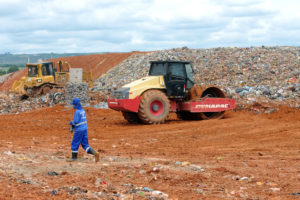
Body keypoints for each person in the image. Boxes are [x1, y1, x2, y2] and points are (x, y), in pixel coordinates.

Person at [68, 98, 99, 162]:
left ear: (75, 104)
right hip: (84, 129)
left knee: (74, 143)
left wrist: (71, 123)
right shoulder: (82, 110)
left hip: (79, 130)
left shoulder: (77, 112)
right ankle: (95, 153)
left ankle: (74, 157)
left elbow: (76, 121)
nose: (73, 106)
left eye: (73, 104)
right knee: (85, 144)